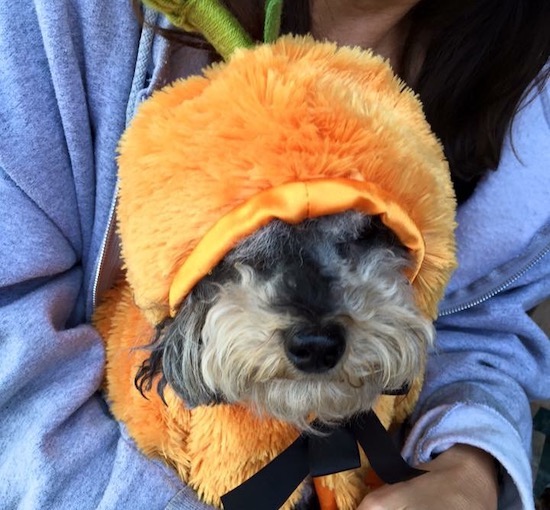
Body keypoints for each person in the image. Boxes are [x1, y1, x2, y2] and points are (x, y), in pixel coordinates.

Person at [0, 1, 548, 509]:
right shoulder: (56, 18)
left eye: (363, 239)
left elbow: (482, 319)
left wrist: (470, 466)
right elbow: (15, 368)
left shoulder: (529, 79)